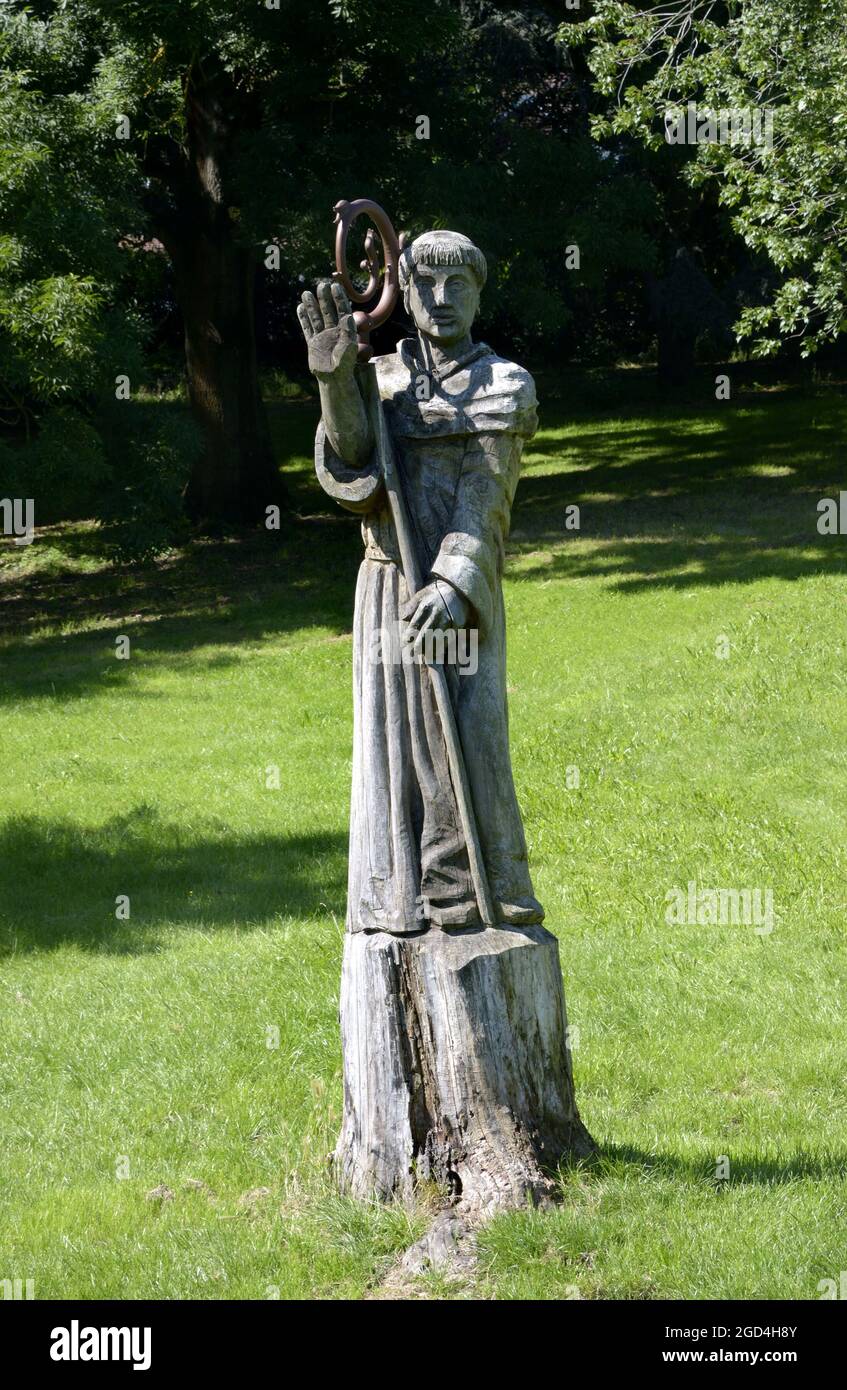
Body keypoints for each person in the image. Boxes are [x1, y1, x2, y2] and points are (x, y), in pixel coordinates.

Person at [297, 229, 544, 933]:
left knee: (464, 738)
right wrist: (332, 381)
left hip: (455, 598)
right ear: (401, 293)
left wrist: (449, 583)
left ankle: (476, 888)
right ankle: (396, 897)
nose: (440, 299)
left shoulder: (503, 385)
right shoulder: (383, 382)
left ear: (477, 292)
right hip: (385, 587)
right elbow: (354, 473)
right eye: (424, 284)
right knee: (395, 744)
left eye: (456, 284)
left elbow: (486, 500)